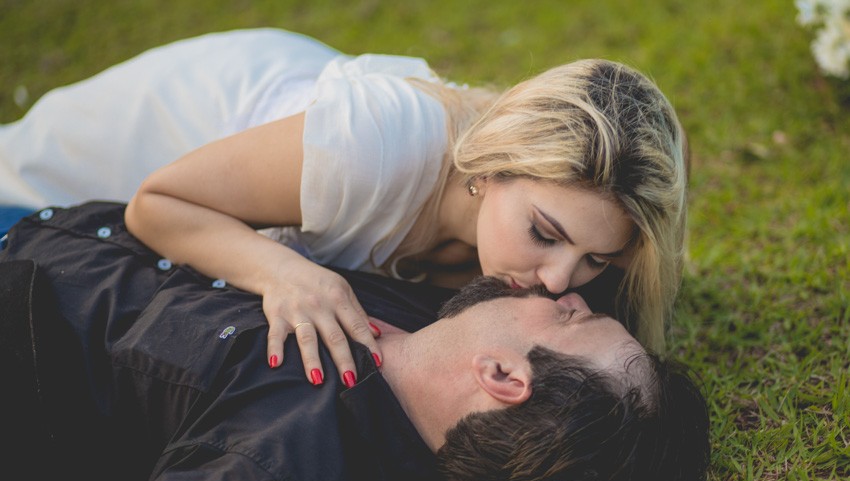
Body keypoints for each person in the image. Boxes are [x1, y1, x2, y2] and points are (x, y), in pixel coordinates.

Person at [0, 202, 709, 481]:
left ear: (501, 376)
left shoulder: (276, 474)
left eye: (567, 315)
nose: (567, 291)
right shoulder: (435, 325)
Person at [0, 28, 689, 386]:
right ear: (493, 164)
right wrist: (286, 273)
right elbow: (155, 203)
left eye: (595, 257)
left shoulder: (543, 239)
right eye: (544, 233)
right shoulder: (376, 148)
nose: (562, 280)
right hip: (54, 184)